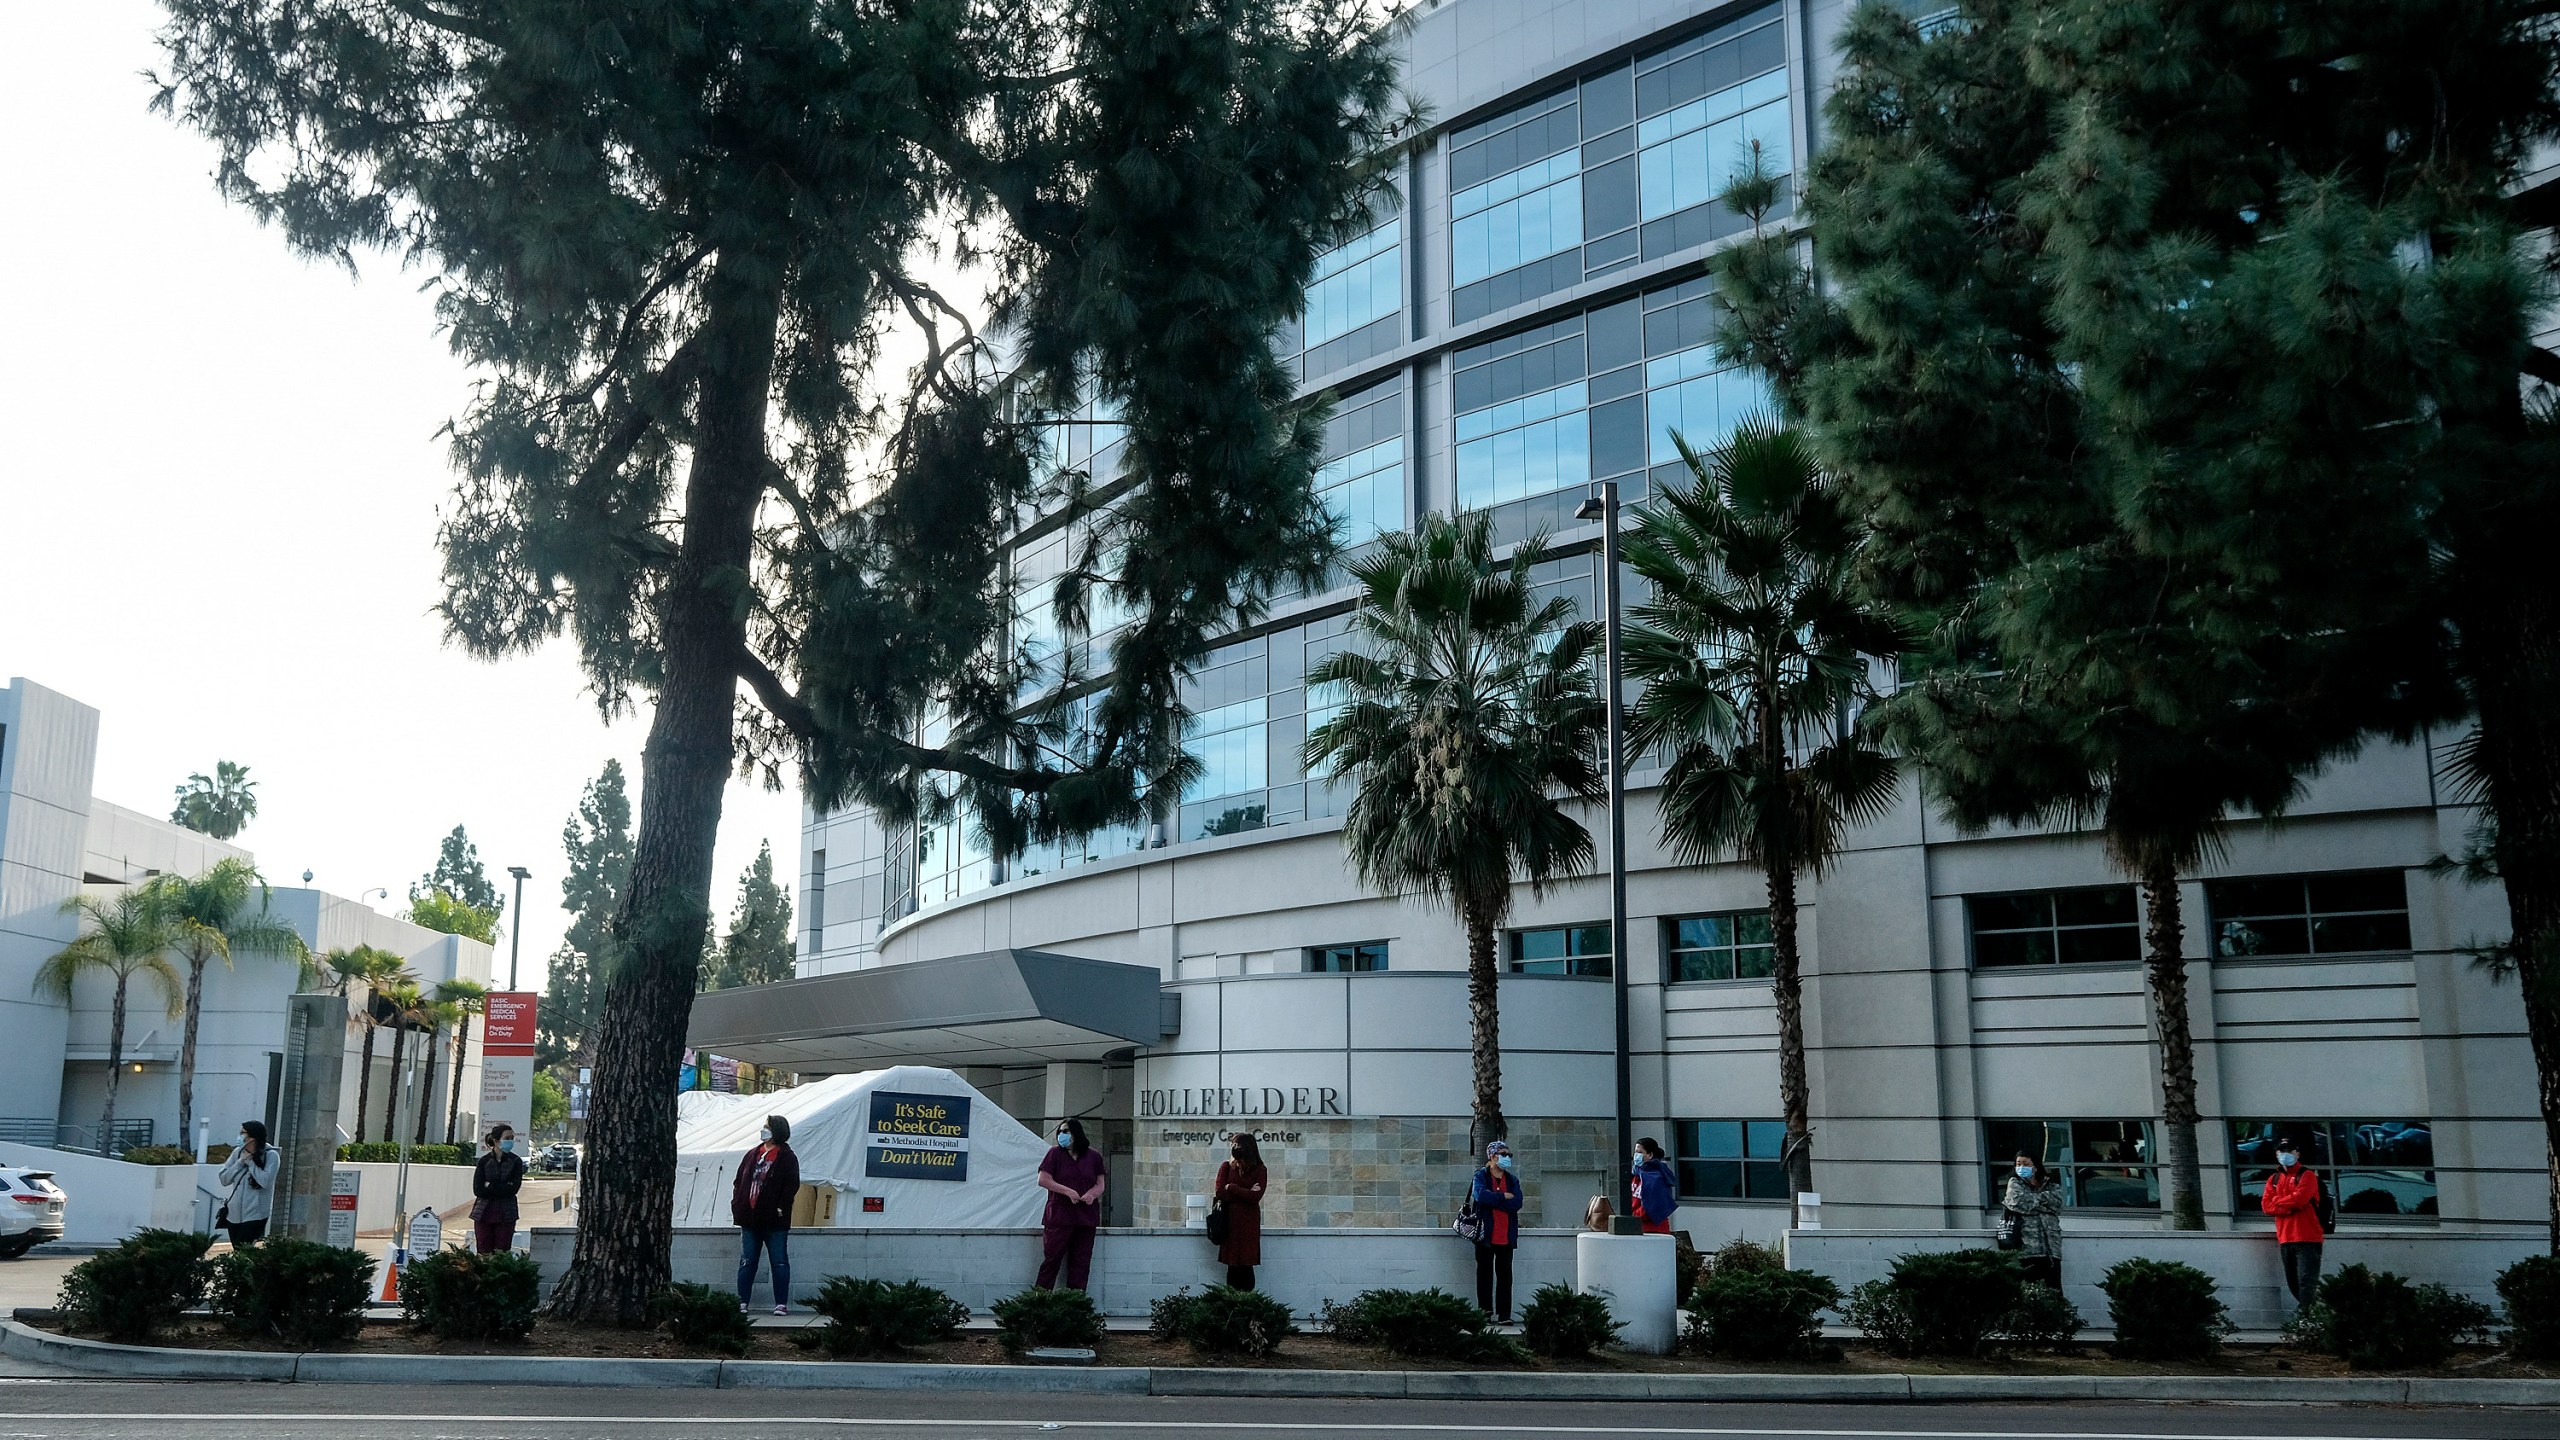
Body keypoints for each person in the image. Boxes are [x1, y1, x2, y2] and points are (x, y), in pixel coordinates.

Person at [731, 1113, 801, 1315]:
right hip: (749, 1218)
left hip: (775, 1221)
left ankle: (780, 1303)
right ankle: (742, 1301)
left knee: (779, 1261)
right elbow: (739, 1181)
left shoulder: (787, 1157)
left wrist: (780, 1207)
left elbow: (791, 1185)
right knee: (747, 1261)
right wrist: (737, 1203)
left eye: (767, 1127)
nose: (763, 1130)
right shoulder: (752, 1154)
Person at [1036, 1117, 1107, 1291]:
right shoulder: (1054, 1154)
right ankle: (1040, 1298)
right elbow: (1043, 1179)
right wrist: (1067, 1191)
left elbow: (1100, 1184)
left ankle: (1075, 1300)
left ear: (1076, 1133)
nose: (1062, 1135)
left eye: (1066, 1131)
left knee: (1081, 1261)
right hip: (1059, 1216)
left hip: (1085, 1217)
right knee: (1052, 1259)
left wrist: (1091, 1195)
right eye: (1060, 1132)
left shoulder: (1093, 1156)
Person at [2261, 1135, 2326, 1307]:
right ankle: (2315, 1314)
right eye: (2282, 1151)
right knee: (2293, 1283)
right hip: (2285, 1238)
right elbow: (2266, 1206)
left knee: (2307, 1281)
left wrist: (2278, 1201)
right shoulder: (2273, 1179)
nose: (2286, 1154)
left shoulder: (2307, 1175)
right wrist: (2287, 1206)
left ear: (2297, 1153)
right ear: (2276, 1154)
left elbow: (2300, 1200)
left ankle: (2306, 1319)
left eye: (2290, 1151)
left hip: (2308, 1238)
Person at [1469, 1139, 1525, 1323]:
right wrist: (1503, 1196)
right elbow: (1480, 1196)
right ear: (1492, 1156)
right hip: (1486, 1235)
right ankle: (1484, 1313)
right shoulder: (1481, 1176)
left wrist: (1496, 1201)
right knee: (1484, 1274)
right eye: (1503, 1154)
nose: (1507, 1158)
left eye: (1509, 1154)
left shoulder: (1512, 1179)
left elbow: (1517, 1202)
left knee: (1505, 1276)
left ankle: (1504, 1315)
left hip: (1506, 1235)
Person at [1213, 1132, 1267, 1291]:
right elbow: (1220, 1193)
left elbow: (1255, 1196)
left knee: (1246, 1265)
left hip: (1248, 1225)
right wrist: (1245, 1191)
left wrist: (1233, 1187)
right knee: (1232, 1266)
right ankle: (1232, 1305)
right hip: (1229, 1223)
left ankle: (1247, 1305)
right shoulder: (1226, 1167)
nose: (1234, 1148)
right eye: (1233, 1145)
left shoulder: (1260, 1170)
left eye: (1237, 1145)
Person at [2002, 1151, 2064, 1288]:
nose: (2021, 1167)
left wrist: (2032, 1202)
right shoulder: (2014, 1183)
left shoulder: (2050, 1183)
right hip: (2027, 1249)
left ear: (2035, 1166)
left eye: (2026, 1163)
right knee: (2031, 1289)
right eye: (2019, 1163)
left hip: (2051, 1250)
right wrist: (2045, 1201)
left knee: (2054, 1290)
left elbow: (2057, 1204)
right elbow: (2017, 1203)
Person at [215, 1120, 276, 1248]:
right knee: (238, 1250)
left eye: (243, 1133)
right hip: (234, 1215)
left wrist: (251, 1164)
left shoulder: (271, 1155)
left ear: (253, 1137)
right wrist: (240, 1163)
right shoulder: (237, 1153)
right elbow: (224, 1179)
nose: (240, 1136)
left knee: (244, 1250)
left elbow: (265, 1181)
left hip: (255, 1215)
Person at [472, 1124, 528, 1253]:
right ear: (496, 1141)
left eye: (512, 1138)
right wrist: (502, 1187)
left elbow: (513, 1189)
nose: (510, 1141)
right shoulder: (484, 1161)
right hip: (483, 1212)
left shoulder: (515, 1161)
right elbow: (478, 1190)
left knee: (502, 1250)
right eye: (507, 1138)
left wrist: (490, 1185)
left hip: (506, 1212)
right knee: (483, 1250)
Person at [1629, 1137, 1679, 1236]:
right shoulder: (1636, 1174)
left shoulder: (1655, 1178)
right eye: (1635, 1152)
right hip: (1638, 1227)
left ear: (1650, 1155)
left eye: (1640, 1152)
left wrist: (1633, 1216)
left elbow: (1650, 1207)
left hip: (1653, 1230)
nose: (1636, 1156)